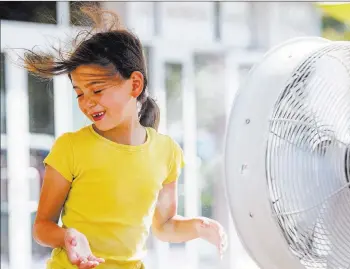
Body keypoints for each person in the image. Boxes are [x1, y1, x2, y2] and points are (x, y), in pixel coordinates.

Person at [24, 5, 227, 269]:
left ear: (134, 84)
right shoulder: (70, 148)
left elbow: (165, 226)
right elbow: (42, 227)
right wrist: (68, 236)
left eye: (96, 90)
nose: (87, 103)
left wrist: (200, 227)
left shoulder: (167, 153)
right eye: (79, 93)